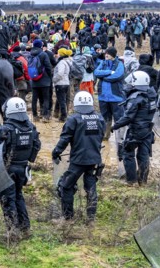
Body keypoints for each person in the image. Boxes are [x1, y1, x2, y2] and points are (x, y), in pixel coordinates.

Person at [52, 91, 105, 224]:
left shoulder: (73, 119)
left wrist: (56, 151)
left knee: (66, 186)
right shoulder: (100, 118)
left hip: (78, 160)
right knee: (91, 188)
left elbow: (65, 138)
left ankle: (68, 218)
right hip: (94, 160)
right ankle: (91, 219)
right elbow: (101, 136)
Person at [0, 97, 40, 238]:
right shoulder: (31, 127)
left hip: (8, 169)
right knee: (18, 196)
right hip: (23, 168)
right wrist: (28, 159)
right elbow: (37, 145)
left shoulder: (4, 129)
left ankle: (12, 232)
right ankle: (25, 228)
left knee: (8, 199)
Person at [112, 71, 156, 186]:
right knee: (143, 155)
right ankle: (143, 181)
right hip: (148, 130)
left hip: (135, 131)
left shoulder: (136, 97)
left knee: (128, 153)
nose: (129, 85)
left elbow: (128, 117)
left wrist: (115, 125)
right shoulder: (151, 94)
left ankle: (131, 181)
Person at [94, 47, 126, 138]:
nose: (106, 55)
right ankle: (105, 136)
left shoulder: (119, 63)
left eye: (108, 53)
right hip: (103, 96)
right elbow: (96, 72)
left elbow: (118, 75)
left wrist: (104, 78)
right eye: (106, 53)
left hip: (116, 97)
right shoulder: (102, 63)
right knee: (104, 118)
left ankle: (120, 137)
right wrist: (109, 72)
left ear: (113, 55)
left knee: (119, 118)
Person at [28, 39, 53, 122]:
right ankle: (45, 116)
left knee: (34, 99)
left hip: (34, 80)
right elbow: (48, 66)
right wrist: (50, 76)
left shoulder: (30, 54)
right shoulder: (43, 54)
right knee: (46, 98)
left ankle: (35, 116)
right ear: (41, 45)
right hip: (45, 80)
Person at [53, 48, 72, 122]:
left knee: (62, 101)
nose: (57, 55)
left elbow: (60, 73)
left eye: (58, 53)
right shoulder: (67, 61)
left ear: (60, 54)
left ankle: (63, 117)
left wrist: (54, 79)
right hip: (66, 83)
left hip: (61, 83)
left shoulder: (61, 62)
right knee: (63, 100)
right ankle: (60, 115)